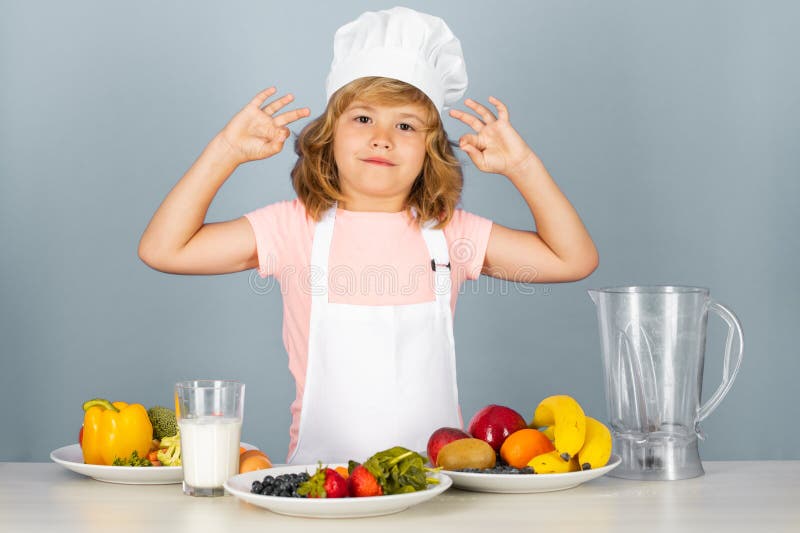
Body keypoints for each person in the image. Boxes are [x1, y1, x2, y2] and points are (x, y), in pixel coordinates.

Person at [138, 6, 598, 464]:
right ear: (328, 136)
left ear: (430, 151)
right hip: (321, 488)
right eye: (362, 119)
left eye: (405, 125)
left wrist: (523, 168)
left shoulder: (451, 234)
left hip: (434, 486)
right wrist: (225, 152)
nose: (382, 138)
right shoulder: (290, 228)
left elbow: (572, 259)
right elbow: (164, 249)